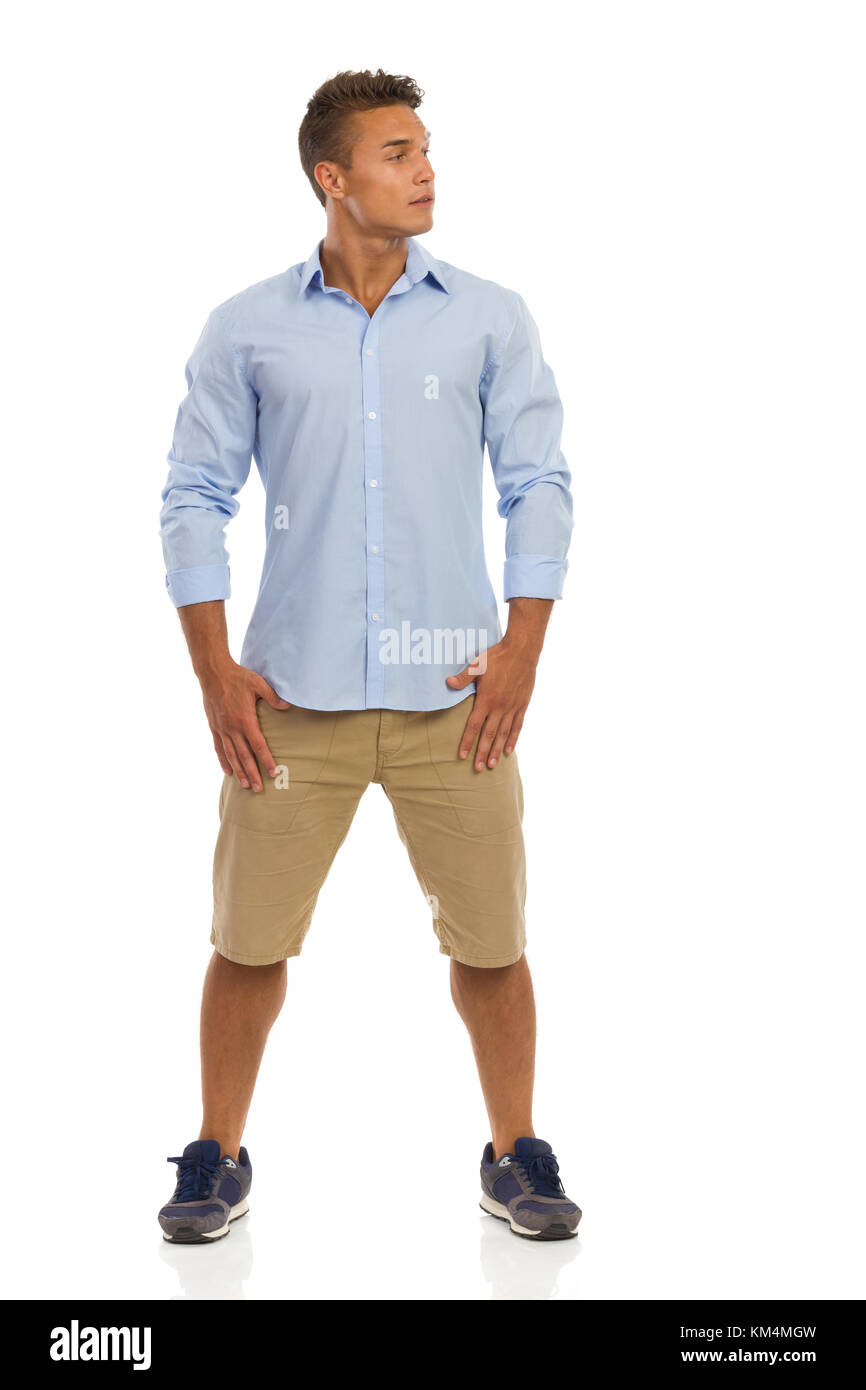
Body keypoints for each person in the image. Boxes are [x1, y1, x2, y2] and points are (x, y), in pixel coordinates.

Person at [157, 67, 580, 1244]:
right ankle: (214, 1154)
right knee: (247, 944)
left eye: (427, 148)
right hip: (289, 703)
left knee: (492, 945)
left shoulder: (490, 317)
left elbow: (536, 482)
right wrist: (211, 669)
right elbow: (194, 495)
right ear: (330, 179)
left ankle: (514, 1151)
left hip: (459, 698)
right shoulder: (246, 326)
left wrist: (520, 651)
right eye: (397, 153)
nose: (426, 168)